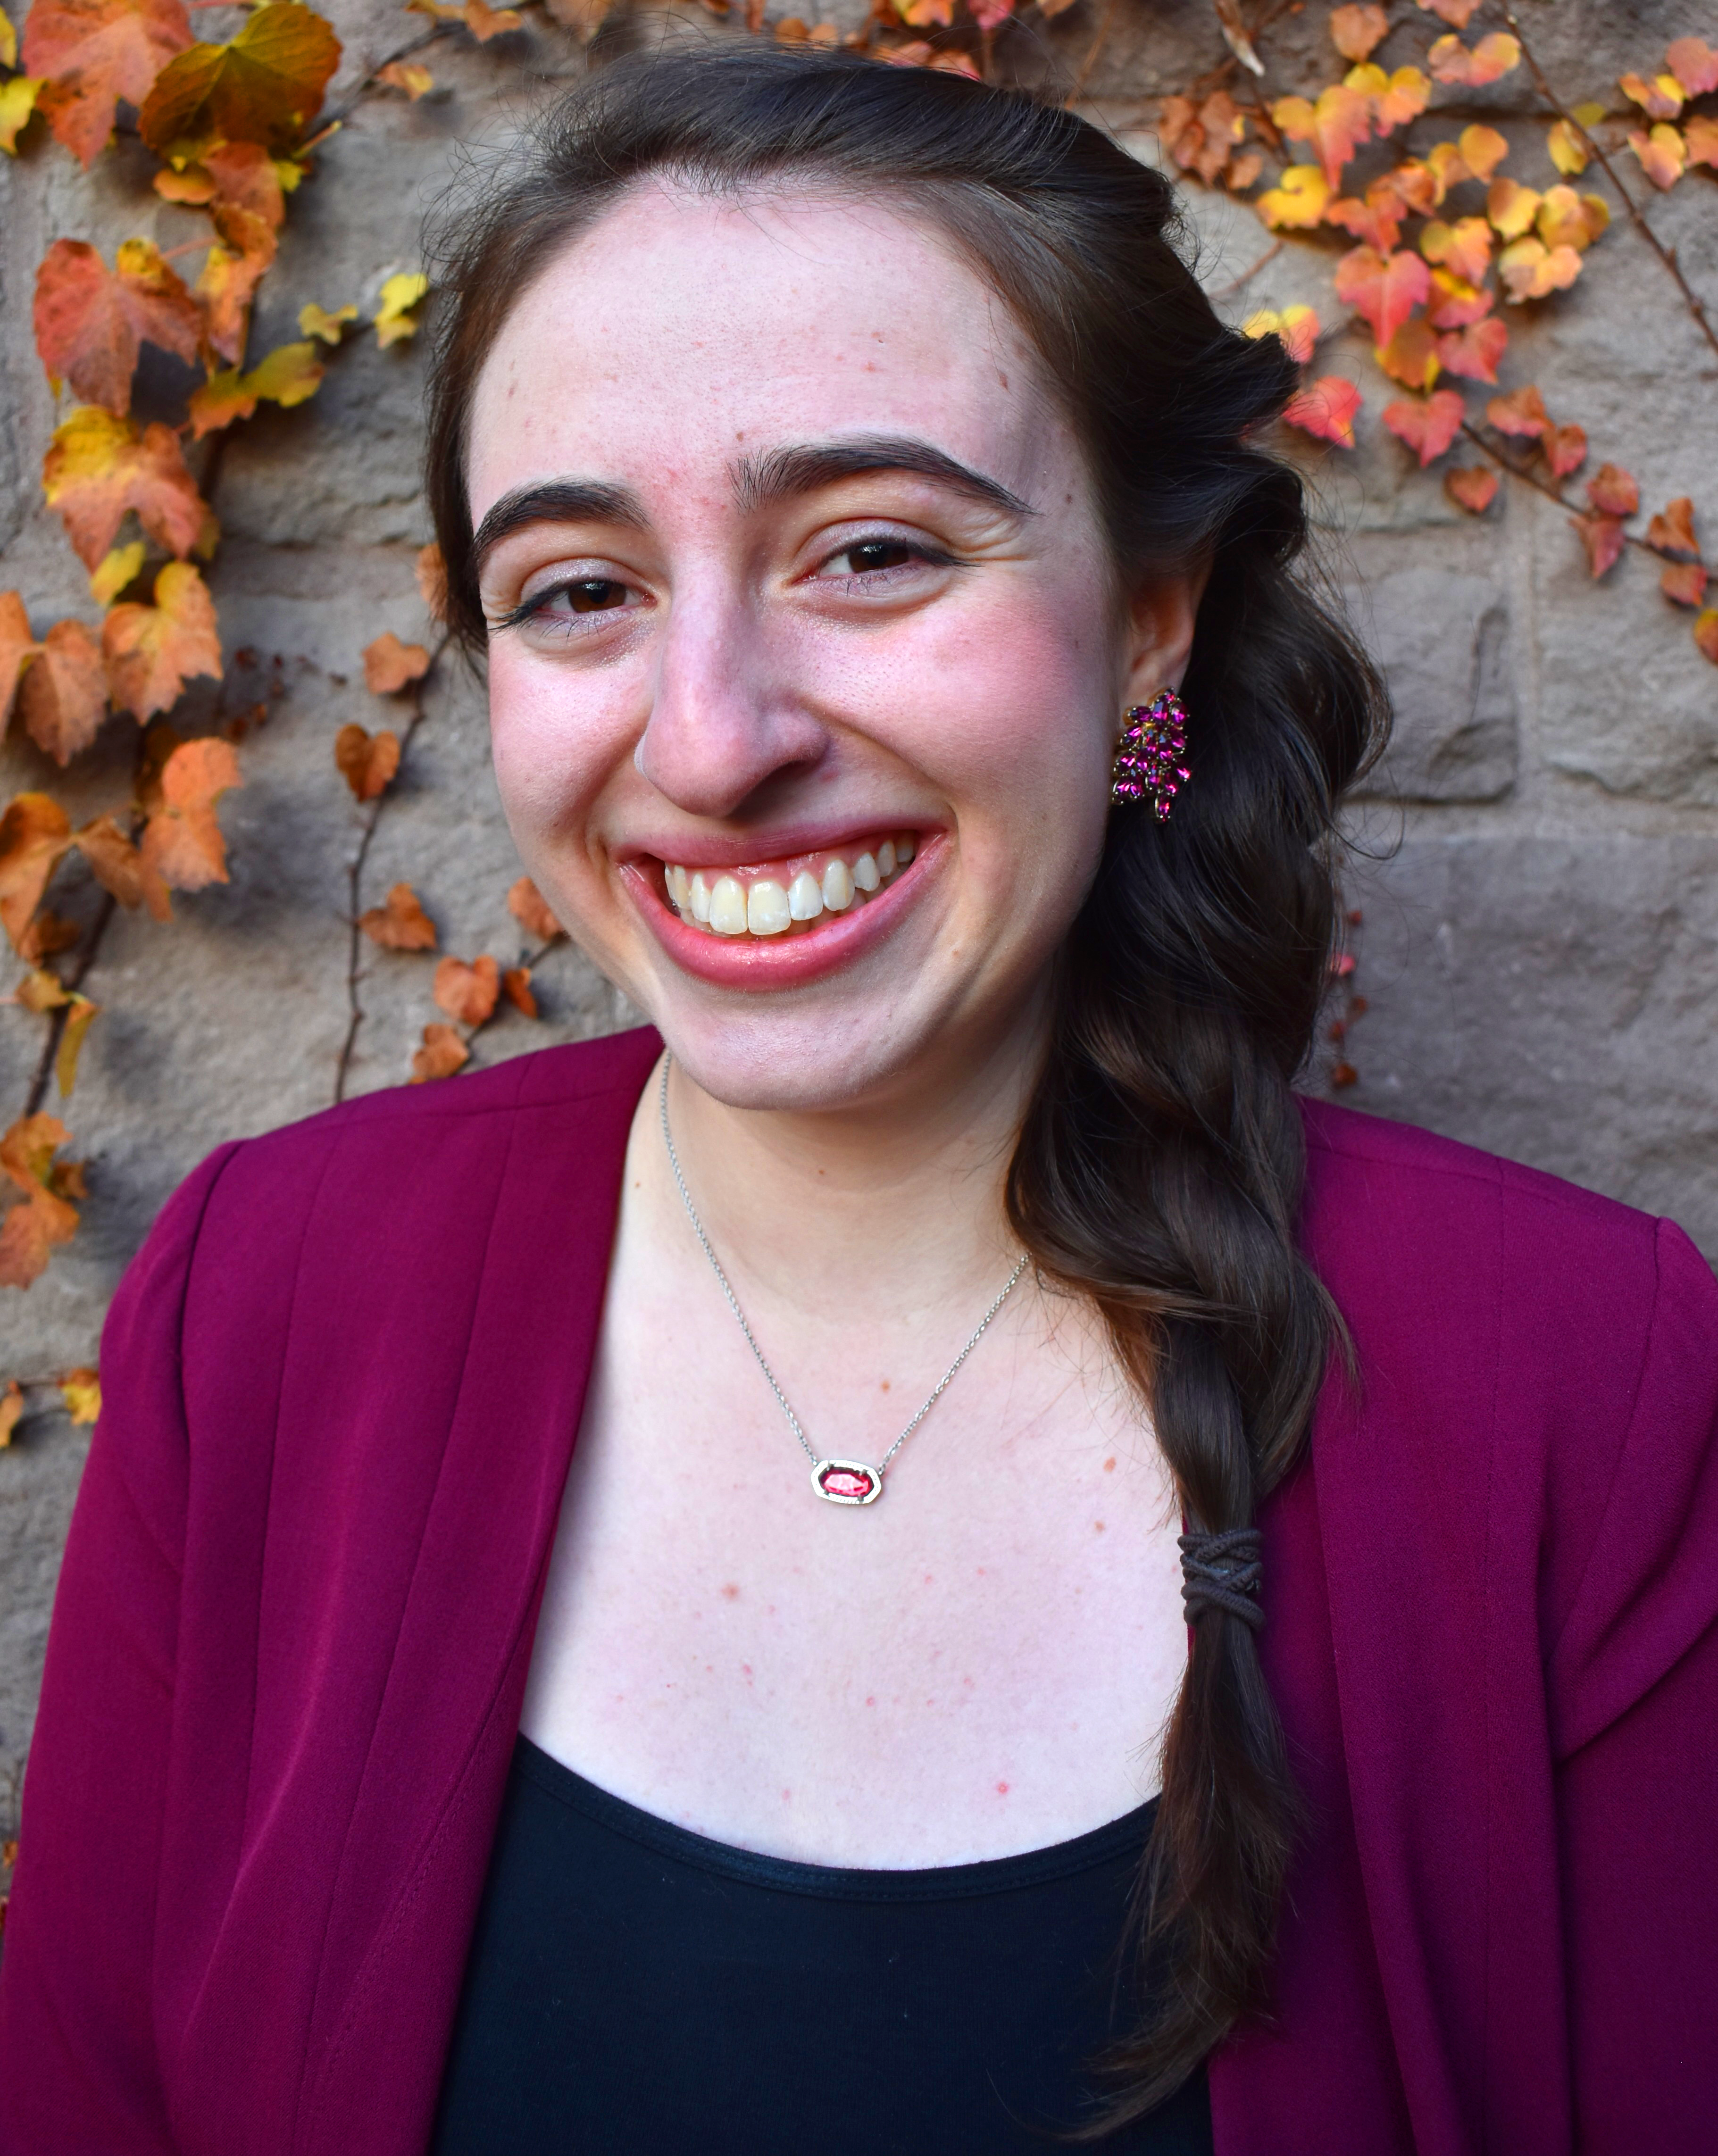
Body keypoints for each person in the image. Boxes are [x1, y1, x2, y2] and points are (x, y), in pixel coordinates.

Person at [2, 43, 1715, 2156]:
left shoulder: (1584, 1387)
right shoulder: (265, 1305)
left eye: (877, 551)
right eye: (578, 590)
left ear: (1151, 627)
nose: (712, 740)